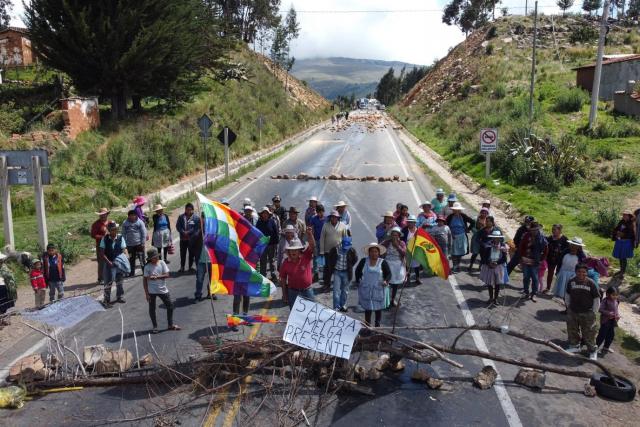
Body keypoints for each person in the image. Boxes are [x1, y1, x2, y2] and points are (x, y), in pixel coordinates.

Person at [565, 264, 600, 360]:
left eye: (584, 272)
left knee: (589, 332)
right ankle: (575, 346)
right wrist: (568, 306)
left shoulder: (591, 283)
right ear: (575, 272)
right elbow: (567, 294)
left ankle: (592, 350)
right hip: (573, 311)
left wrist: (594, 311)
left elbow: (596, 298)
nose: (581, 274)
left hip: (588, 312)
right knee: (572, 329)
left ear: (587, 273)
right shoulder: (571, 282)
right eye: (579, 271)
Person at [143, 248, 181, 334]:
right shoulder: (147, 267)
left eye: (157, 256)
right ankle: (155, 326)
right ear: (150, 259)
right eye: (154, 257)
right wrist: (146, 293)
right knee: (152, 309)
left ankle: (170, 325)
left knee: (170, 306)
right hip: (151, 291)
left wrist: (157, 277)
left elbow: (167, 275)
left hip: (163, 289)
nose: (156, 258)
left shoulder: (162, 263)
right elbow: (144, 280)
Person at [355, 243, 392, 327]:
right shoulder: (364, 261)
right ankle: (367, 326)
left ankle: (377, 327)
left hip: (378, 289)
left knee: (378, 309)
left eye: (376, 251)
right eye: (372, 251)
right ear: (369, 253)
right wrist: (358, 280)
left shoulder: (382, 262)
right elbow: (357, 271)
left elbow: (389, 274)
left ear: (378, 253)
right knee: (368, 309)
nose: (374, 253)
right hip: (366, 289)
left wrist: (386, 281)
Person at [279, 227, 316, 309]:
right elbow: (283, 279)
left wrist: (310, 234)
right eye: (291, 250)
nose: (293, 251)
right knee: (294, 313)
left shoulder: (306, 256)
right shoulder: (285, 262)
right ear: (288, 251)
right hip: (293, 292)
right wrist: (284, 294)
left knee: (311, 312)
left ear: (299, 250)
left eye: (296, 250)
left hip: (307, 290)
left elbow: (312, 246)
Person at [99, 223, 129, 306]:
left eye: (116, 229)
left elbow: (124, 249)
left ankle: (120, 296)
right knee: (108, 282)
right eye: (112, 230)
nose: (114, 231)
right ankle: (106, 299)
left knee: (119, 281)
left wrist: (126, 258)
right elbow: (102, 253)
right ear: (109, 230)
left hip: (118, 264)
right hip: (108, 263)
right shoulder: (104, 239)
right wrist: (109, 262)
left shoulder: (120, 237)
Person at [326, 236, 358, 312]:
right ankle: (336, 307)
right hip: (337, 272)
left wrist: (350, 266)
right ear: (342, 243)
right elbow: (329, 258)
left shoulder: (352, 250)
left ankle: (343, 305)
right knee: (336, 290)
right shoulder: (335, 249)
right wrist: (332, 268)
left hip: (346, 273)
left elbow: (355, 259)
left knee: (345, 290)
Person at [518, 221, 548, 302]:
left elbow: (546, 250)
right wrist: (521, 258)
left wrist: (542, 260)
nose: (534, 232)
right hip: (525, 259)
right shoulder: (526, 236)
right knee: (526, 277)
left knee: (535, 278)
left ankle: (534, 293)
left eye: (535, 230)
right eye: (532, 230)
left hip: (536, 261)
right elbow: (521, 247)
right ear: (530, 230)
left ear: (538, 229)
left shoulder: (542, 238)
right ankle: (526, 292)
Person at [320, 210, 349, 289]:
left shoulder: (342, 225)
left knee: (338, 268)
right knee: (327, 268)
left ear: (338, 218)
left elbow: (345, 238)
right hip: (327, 251)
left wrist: (346, 249)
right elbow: (322, 238)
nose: (334, 218)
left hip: (339, 251)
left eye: (335, 217)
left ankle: (338, 284)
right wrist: (322, 251)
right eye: (332, 217)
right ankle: (327, 284)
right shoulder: (326, 225)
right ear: (330, 218)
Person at [553, 237, 587, 302]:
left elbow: (583, 265)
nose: (574, 246)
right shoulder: (565, 251)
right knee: (562, 286)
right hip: (563, 273)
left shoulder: (581, 255)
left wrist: (580, 275)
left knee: (571, 288)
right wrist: (557, 270)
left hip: (573, 274)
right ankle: (561, 298)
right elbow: (559, 261)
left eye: (576, 245)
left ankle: (569, 300)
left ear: (579, 246)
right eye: (573, 245)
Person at [479, 230, 508, 305]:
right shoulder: (488, 246)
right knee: (490, 283)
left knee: (497, 284)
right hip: (489, 266)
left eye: (498, 238)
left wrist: (497, 263)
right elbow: (484, 256)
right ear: (492, 238)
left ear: (500, 238)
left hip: (498, 266)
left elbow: (504, 258)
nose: (496, 239)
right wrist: (489, 263)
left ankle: (496, 299)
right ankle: (491, 298)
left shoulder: (503, 246)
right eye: (495, 237)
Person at [381, 227, 406, 308]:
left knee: (395, 284)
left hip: (397, 265)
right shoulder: (386, 242)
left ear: (399, 236)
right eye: (393, 235)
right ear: (391, 235)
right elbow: (380, 249)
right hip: (387, 264)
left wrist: (397, 246)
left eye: (396, 235)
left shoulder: (401, 243)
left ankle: (392, 299)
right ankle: (386, 300)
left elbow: (404, 253)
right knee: (387, 283)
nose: (394, 236)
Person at [446, 202, 473, 273]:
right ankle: (455, 266)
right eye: (455, 210)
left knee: (460, 253)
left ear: (460, 210)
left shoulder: (463, 216)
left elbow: (472, 222)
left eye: (458, 210)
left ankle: (457, 265)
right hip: (453, 237)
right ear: (453, 210)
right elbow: (446, 225)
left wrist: (468, 229)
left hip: (461, 237)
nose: (456, 211)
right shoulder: (450, 217)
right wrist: (450, 234)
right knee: (453, 253)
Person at [91, 208, 114, 285]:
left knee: (111, 260)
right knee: (102, 262)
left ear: (107, 214)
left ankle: (111, 276)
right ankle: (101, 279)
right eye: (101, 215)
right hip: (101, 246)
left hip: (110, 244)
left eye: (104, 214)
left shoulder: (111, 222)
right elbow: (93, 235)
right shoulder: (96, 224)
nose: (103, 216)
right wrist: (103, 237)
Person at [544, 224, 569, 294]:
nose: (553, 231)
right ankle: (548, 288)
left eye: (555, 229)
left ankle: (558, 290)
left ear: (560, 230)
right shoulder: (549, 238)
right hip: (551, 259)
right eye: (552, 229)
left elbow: (567, 249)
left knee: (559, 274)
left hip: (561, 260)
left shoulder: (564, 239)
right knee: (550, 273)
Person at [256, 207, 279, 281]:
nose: (265, 214)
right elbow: (257, 234)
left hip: (271, 245)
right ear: (261, 214)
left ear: (269, 214)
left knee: (272, 260)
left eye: (266, 213)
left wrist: (276, 243)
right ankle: (263, 276)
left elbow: (275, 232)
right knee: (263, 261)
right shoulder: (259, 223)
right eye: (264, 213)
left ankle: (273, 275)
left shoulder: (272, 221)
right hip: (263, 245)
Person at [176, 203, 200, 272]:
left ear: (192, 210)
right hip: (183, 239)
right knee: (182, 253)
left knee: (191, 253)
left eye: (190, 210)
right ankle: (182, 267)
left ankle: (190, 266)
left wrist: (188, 232)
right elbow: (178, 226)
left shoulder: (196, 218)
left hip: (191, 239)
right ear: (185, 209)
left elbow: (196, 228)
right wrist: (183, 232)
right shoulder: (181, 217)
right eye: (187, 209)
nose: (188, 211)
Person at [122, 210, 147, 277]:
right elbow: (123, 234)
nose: (131, 217)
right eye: (130, 216)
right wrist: (124, 244)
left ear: (135, 216)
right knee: (131, 259)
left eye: (133, 215)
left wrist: (143, 243)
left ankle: (144, 271)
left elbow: (143, 233)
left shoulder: (140, 222)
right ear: (128, 216)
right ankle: (132, 273)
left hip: (139, 244)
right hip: (130, 245)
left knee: (142, 259)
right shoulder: (125, 223)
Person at [596, 287, 620, 355]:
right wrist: (608, 313)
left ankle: (606, 347)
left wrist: (617, 315)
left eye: (616, 295)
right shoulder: (605, 301)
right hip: (605, 321)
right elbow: (600, 309)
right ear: (608, 294)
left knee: (611, 335)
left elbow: (616, 310)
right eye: (613, 295)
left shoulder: (616, 301)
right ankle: (596, 347)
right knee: (602, 335)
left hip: (612, 321)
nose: (615, 296)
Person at [612, 210, 636, 277]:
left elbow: (630, 234)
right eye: (623, 215)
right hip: (620, 241)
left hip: (626, 242)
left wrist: (622, 234)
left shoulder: (631, 224)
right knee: (620, 256)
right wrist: (616, 232)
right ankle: (621, 270)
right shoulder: (621, 222)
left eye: (626, 215)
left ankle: (622, 272)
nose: (624, 216)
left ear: (629, 216)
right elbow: (616, 228)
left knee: (623, 257)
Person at [469, 207, 490, 272]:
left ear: (487, 214)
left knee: (482, 254)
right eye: (483, 212)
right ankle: (471, 265)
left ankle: (480, 267)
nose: (484, 214)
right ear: (480, 212)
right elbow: (472, 227)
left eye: (485, 213)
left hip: (484, 239)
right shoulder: (475, 219)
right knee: (475, 253)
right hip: (476, 238)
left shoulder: (488, 221)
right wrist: (478, 232)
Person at [402, 215, 421, 283]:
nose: (410, 223)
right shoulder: (404, 230)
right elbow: (402, 239)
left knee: (417, 265)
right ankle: (408, 278)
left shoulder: (418, 230)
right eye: (409, 222)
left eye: (411, 222)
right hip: (407, 249)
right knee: (408, 265)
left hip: (416, 250)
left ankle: (417, 278)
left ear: (415, 223)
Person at [309, 204, 327, 280]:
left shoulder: (327, 219)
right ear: (317, 212)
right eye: (318, 212)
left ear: (323, 211)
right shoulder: (314, 218)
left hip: (324, 241)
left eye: (321, 212)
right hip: (316, 240)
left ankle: (322, 273)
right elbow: (310, 228)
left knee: (322, 256)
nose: (320, 214)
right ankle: (316, 273)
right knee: (316, 256)